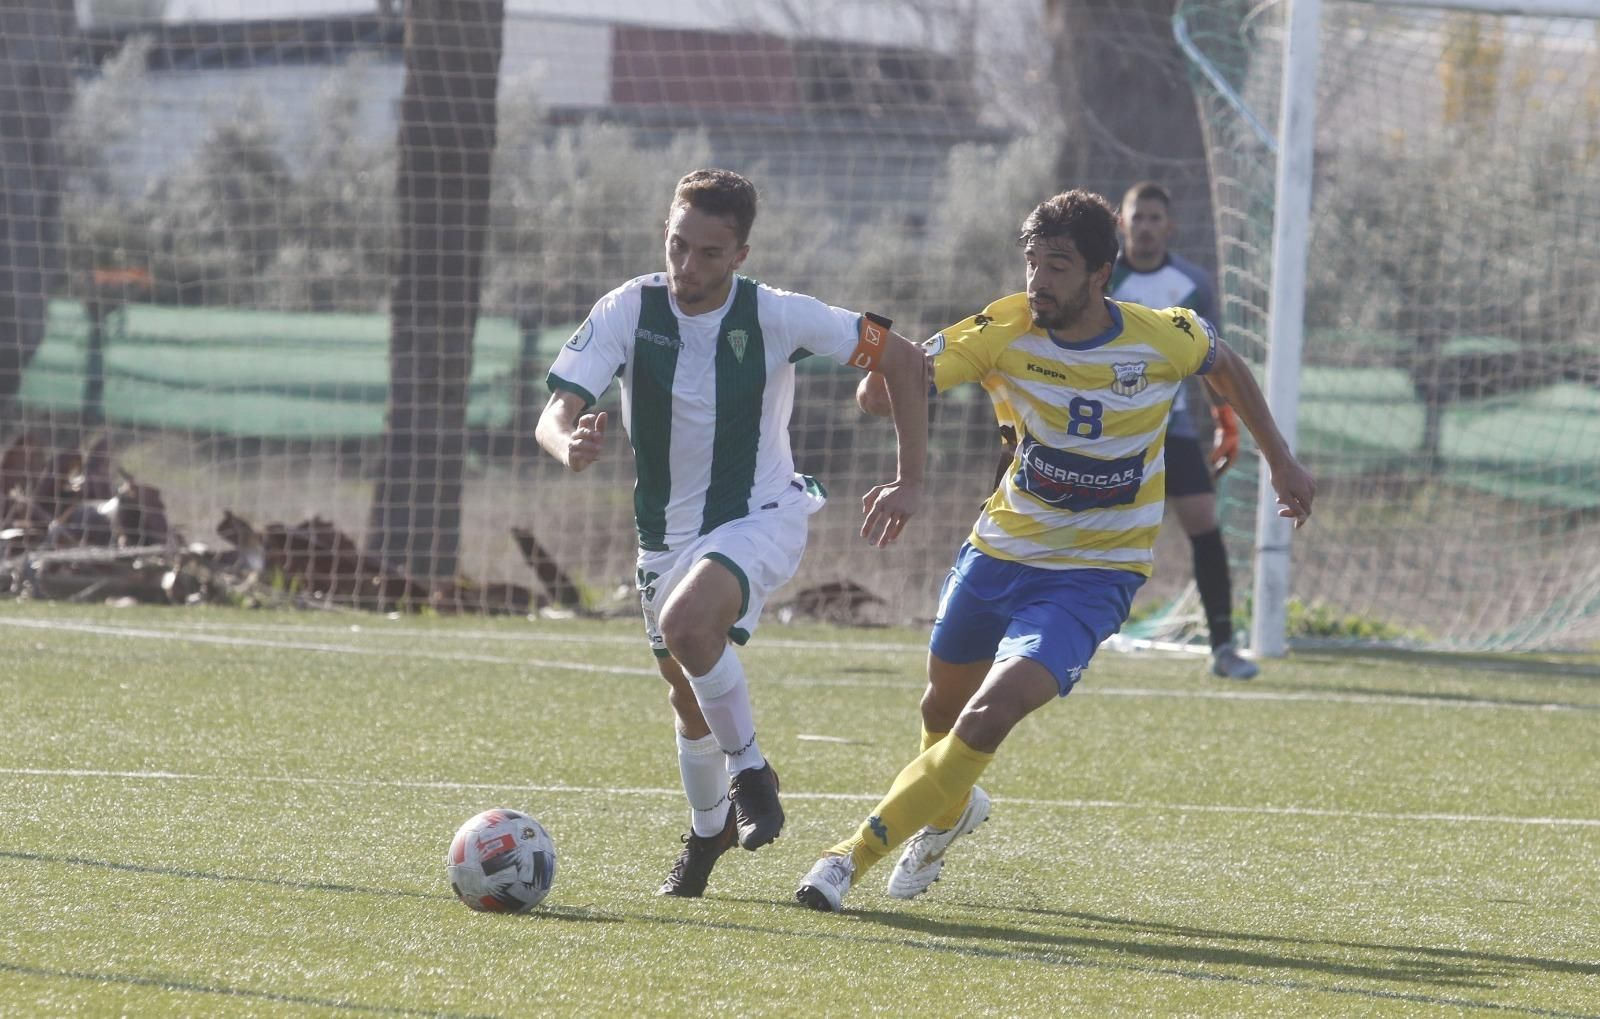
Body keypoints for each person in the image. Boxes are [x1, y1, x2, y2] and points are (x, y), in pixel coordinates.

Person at [795, 189, 1314, 912]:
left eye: (1058, 266)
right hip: (1000, 550)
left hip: (1096, 575)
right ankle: (948, 814)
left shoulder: (1162, 335)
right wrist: (891, 376)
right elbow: (887, 389)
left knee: (989, 714)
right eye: (1032, 263)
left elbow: (1221, 362)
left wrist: (1279, 460)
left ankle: (846, 857)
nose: (1038, 281)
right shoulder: (1003, 327)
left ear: (1101, 273)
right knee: (941, 705)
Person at [536, 168, 928, 899]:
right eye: (677, 245)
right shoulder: (629, 308)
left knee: (689, 625)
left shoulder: (775, 314)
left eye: (709, 253)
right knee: (688, 700)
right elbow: (554, 414)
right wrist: (570, 444)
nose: (687, 266)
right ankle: (707, 828)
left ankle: (751, 771)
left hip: (762, 513)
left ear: (741, 254)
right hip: (664, 536)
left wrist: (912, 479)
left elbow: (904, 358)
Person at [1112, 180, 1256, 679]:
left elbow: (1213, 362)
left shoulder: (1192, 284)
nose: (1146, 227)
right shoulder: (1101, 278)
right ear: (1121, 223)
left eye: (1155, 218)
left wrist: (1225, 423)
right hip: (1106, 431)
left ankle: (1223, 645)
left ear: (1169, 227)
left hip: (1170, 427)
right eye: (1138, 217)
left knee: (1203, 521)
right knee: (1083, 525)